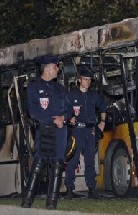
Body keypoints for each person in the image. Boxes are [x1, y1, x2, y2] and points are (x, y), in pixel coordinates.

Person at [21, 54, 71, 210]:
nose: (58, 69)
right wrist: (52, 119)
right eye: (56, 67)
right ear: (48, 68)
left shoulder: (60, 89)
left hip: (60, 132)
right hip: (43, 130)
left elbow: (70, 109)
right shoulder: (33, 88)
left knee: (57, 164)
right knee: (39, 163)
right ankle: (27, 200)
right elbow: (34, 112)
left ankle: (51, 203)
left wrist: (64, 117)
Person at [64, 65, 107, 198]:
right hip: (77, 131)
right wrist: (69, 118)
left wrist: (102, 122)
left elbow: (103, 107)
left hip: (90, 131)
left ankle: (92, 189)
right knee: (72, 161)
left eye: (89, 79)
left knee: (90, 161)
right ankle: (70, 189)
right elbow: (65, 111)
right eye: (85, 79)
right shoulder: (71, 95)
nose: (88, 82)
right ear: (79, 80)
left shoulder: (94, 95)